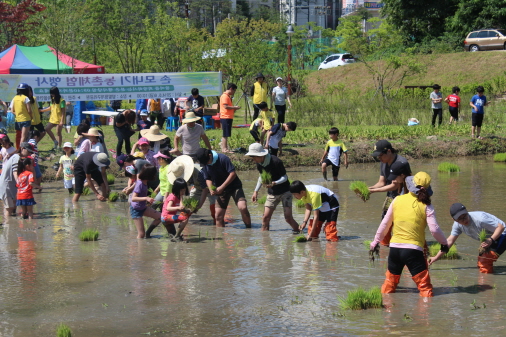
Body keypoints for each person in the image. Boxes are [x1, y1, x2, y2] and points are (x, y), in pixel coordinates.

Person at [370, 172, 448, 297]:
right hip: (413, 251)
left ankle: (386, 312)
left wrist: (375, 242)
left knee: (389, 285)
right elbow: (434, 229)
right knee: (425, 288)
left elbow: (385, 224)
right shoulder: (427, 205)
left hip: (395, 249)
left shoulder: (397, 200)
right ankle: (425, 315)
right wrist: (444, 244)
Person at [429, 203, 506, 274]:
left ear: (467, 212)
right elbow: (449, 241)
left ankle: (487, 285)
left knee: (485, 261)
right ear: (454, 219)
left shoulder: (480, 219)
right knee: (481, 262)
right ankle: (487, 281)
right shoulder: (457, 225)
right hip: (490, 239)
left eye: (465, 216)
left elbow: (501, 227)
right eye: (460, 219)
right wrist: (436, 257)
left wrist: (490, 240)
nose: (464, 220)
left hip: (502, 234)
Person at [247, 143, 299, 232]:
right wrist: (256, 191)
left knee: (288, 218)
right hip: (272, 193)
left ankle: (299, 232)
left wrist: (275, 183)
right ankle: (265, 242)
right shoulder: (259, 163)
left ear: (261, 155)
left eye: (254, 156)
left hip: (285, 192)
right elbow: (261, 177)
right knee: (265, 218)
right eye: (252, 157)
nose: (253, 159)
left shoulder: (276, 161)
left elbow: (285, 177)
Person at [195, 148, 251, 228]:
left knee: (243, 207)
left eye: (206, 161)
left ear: (210, 156)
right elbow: (208, 178)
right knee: (218, 216)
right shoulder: (206, 165)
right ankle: (220, 237)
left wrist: (222, 187)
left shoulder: (223, 158)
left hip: (234, 187)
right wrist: (211, 188)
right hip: (220, 190)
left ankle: (248, 230)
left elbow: (232, 174)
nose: (206, 164)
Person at [130, 164, 161, 239]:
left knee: (160, 217)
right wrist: (146, 198)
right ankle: (140, 249)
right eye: (154, 173)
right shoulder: (140, 183)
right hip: (136, 209)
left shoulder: (145, 182)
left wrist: (148, 200)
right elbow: (133, 198)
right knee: (141, 234)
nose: (155, 175)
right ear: (149, 174)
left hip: (143, 207)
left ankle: (148, 233)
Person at [0, 143, 31, 218]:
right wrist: (20, 183)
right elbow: (14, 171)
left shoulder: (17, 157)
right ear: (22, 148)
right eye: (28, 151)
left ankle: (9, 225)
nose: (29, 153)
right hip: (6, 185)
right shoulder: (16, 157)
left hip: (10, 186)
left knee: (12, 206)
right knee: (9, 208)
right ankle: (7, 225)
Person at [219, 83, 241, 153]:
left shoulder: (227, 96)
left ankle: (224, 148)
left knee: (226, 133)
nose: (234, 92)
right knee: (226, 134)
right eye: (234, 90)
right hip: (226, 117)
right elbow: (225, 106)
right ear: (231, 89)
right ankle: (225, 149)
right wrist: (235, 107)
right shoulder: (225, 96)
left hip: (228, 117)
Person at [11, 83, 33, 147]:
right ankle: (21, 151)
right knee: (23, 137)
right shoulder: (26, 98)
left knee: (19, 136)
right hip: (26, 120)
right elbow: (29, 110)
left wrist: (18, 114)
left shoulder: (14, 98)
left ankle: (18, 149)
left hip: (17, 120)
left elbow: (12, 110)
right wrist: (31, 117)